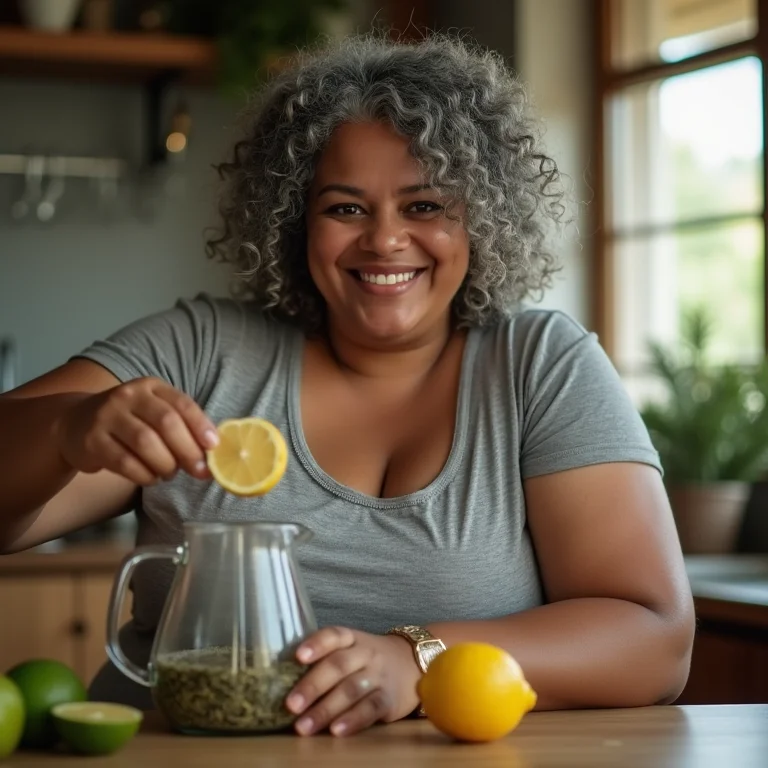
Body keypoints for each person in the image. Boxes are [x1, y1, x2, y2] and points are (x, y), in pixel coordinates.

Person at [0, 33, 695, 737]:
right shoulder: (198, 350)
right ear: (294, 220)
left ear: (481, 218)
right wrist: (66, 429)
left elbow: (654, 638)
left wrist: (419, 659)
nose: (384, 240)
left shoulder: (540, 366)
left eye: (424, 206)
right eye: (346, 208)